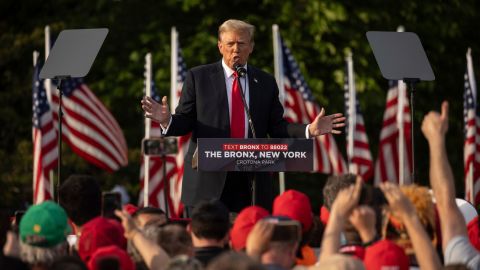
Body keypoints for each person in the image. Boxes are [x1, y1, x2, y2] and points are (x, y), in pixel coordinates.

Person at [141, 19, 346, 213]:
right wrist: (167, 120)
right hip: (207, 181)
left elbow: (276, 127)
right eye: (230, 43)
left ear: (251, 46)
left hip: (250, 180)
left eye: (241, 43)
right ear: (220, 46)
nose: (235, 49)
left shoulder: (265, 82)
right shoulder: (199, 77)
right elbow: (184, 122)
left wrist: (309, 129)